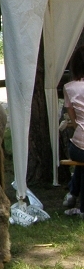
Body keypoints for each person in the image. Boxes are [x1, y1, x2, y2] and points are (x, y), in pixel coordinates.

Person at [62, 46, 84, 216]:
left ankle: (72, 193)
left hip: (78, 146)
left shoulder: (69, 87)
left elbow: (75, 121)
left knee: (81, 164)